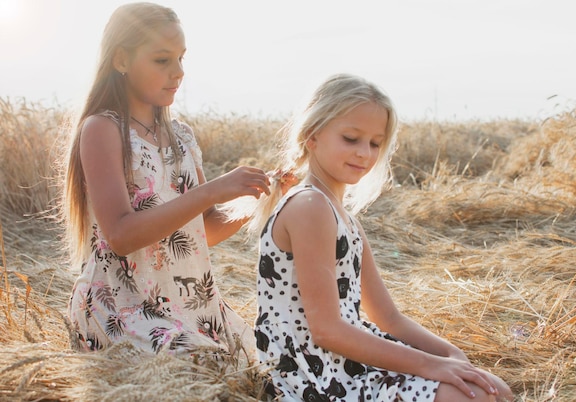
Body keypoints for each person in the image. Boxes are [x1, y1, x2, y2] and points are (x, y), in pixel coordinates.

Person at [249, 74, 514, 401]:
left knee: (494, 389)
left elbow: (388, 317)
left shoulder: (343, 216)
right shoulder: (309, 207)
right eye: (350, 138)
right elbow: (327, 330)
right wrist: (432, 367)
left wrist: (453, 356)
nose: (364, 153)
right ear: (312, 136)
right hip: (314, 375)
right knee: (474, 396)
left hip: (347, 359)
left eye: (375, 143)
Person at [63, 2, 272, 362]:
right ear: (122, 61)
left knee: (265, 366)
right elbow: (121, 236)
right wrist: (212, 190)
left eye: (181, 59)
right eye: (162, 60)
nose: (178, 72)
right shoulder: (103, 129)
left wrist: (258, 197)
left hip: (191, 306)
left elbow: (203, 232)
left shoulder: (183, 137)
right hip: (122, 307)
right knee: (211, 369)